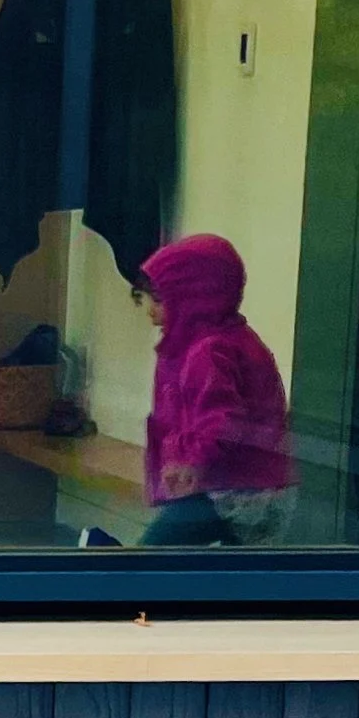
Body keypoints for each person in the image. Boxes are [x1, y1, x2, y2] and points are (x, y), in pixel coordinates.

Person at [134, 233, 294, 547]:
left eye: (160, 298)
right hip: (254, 485)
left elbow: (221, 420)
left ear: (193, 300)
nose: (149, 308)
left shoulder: (208, 351)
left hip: (232, 491)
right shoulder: (231, 338)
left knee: (148, 559)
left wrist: (191, 461)